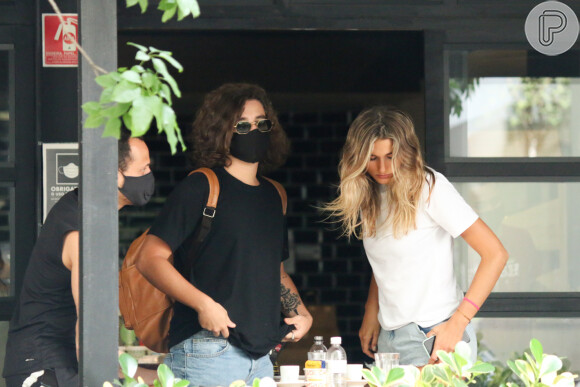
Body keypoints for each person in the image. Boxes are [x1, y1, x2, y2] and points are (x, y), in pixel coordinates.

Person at [137, 83, 313, 386]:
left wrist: (301, 311)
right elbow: (150, 258)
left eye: (262, 124)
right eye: (242, 125)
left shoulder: (275, 195)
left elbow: (275, 269)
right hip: (208, 349)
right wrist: (204, 305)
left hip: (261, 355)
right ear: (221, 132)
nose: (254, 131)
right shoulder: (202, 187)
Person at [323, 107, 508, 367]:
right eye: (372, 158)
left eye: (391, 156)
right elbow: (388, 262)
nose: (383, 167)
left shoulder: (430, 187)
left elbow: (496, 254)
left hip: (433, 335)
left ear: (406, 152)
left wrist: (458, 323)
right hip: (391, 338)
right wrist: (371, 311)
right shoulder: (371, 196)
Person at [3, 132, 154, 387]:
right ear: (114, 174)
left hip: (55, 362)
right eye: (144, 168)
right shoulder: (81, 228)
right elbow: (89, 326)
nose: (150, 174)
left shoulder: (83, 209)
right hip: (44, 367)